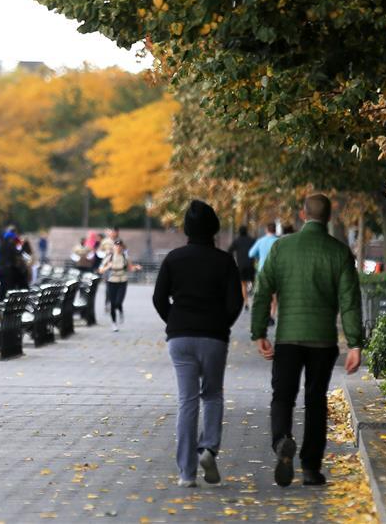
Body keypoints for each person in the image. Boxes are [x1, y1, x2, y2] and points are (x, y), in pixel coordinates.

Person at [251, 194, 363, 487]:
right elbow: (350, 301)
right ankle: (311, 468)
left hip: (288, 337)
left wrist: (259, 332)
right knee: (315, 402)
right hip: (323, 341)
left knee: (283, 396)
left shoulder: (281, 248)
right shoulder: (339, 253)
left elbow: (262, 291)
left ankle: (281, 442)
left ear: (303, 215)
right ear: (329, 218)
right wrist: (355, 344)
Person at [153, 200, 243, 488]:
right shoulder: (225, 261)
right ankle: (208, 448)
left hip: (180, 337)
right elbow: (236, 302)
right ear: (214, 228)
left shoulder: (173, 259)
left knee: (187, 401)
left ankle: (186, 474)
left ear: (186, 229)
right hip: (214, 336)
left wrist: (174, 321)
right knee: (213, 394)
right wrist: (221, 324)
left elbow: (158, 298)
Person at [98, 239, 141, 332]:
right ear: (113, 247)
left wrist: (136, 268)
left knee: (118, 302)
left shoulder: (125, 257)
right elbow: (100, 270)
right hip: (112, 281)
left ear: (122, 247)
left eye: (120, 246)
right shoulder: (109, 257)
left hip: (122, 281)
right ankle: (114, 323)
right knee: (113, 304)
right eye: (116, 246)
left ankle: (120, 311)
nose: (118, 247)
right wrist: (107, 267)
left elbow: (130, 268)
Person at [227, 226, 257, 310]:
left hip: (241, 266)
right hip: (250, 265)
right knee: (253, 282)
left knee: (243, 284)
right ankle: (253, 295)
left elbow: (229, 251)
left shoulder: (237, 241)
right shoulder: (252, 240)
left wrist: (233, 260)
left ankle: (246, 303)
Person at [97, 228, 118, 311]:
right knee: (108, 286)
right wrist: (105, 254)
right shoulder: (105, 242)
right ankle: (107, 303)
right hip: (107, 266)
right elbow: (99, 252)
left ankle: (113, 302)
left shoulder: (119, 241)